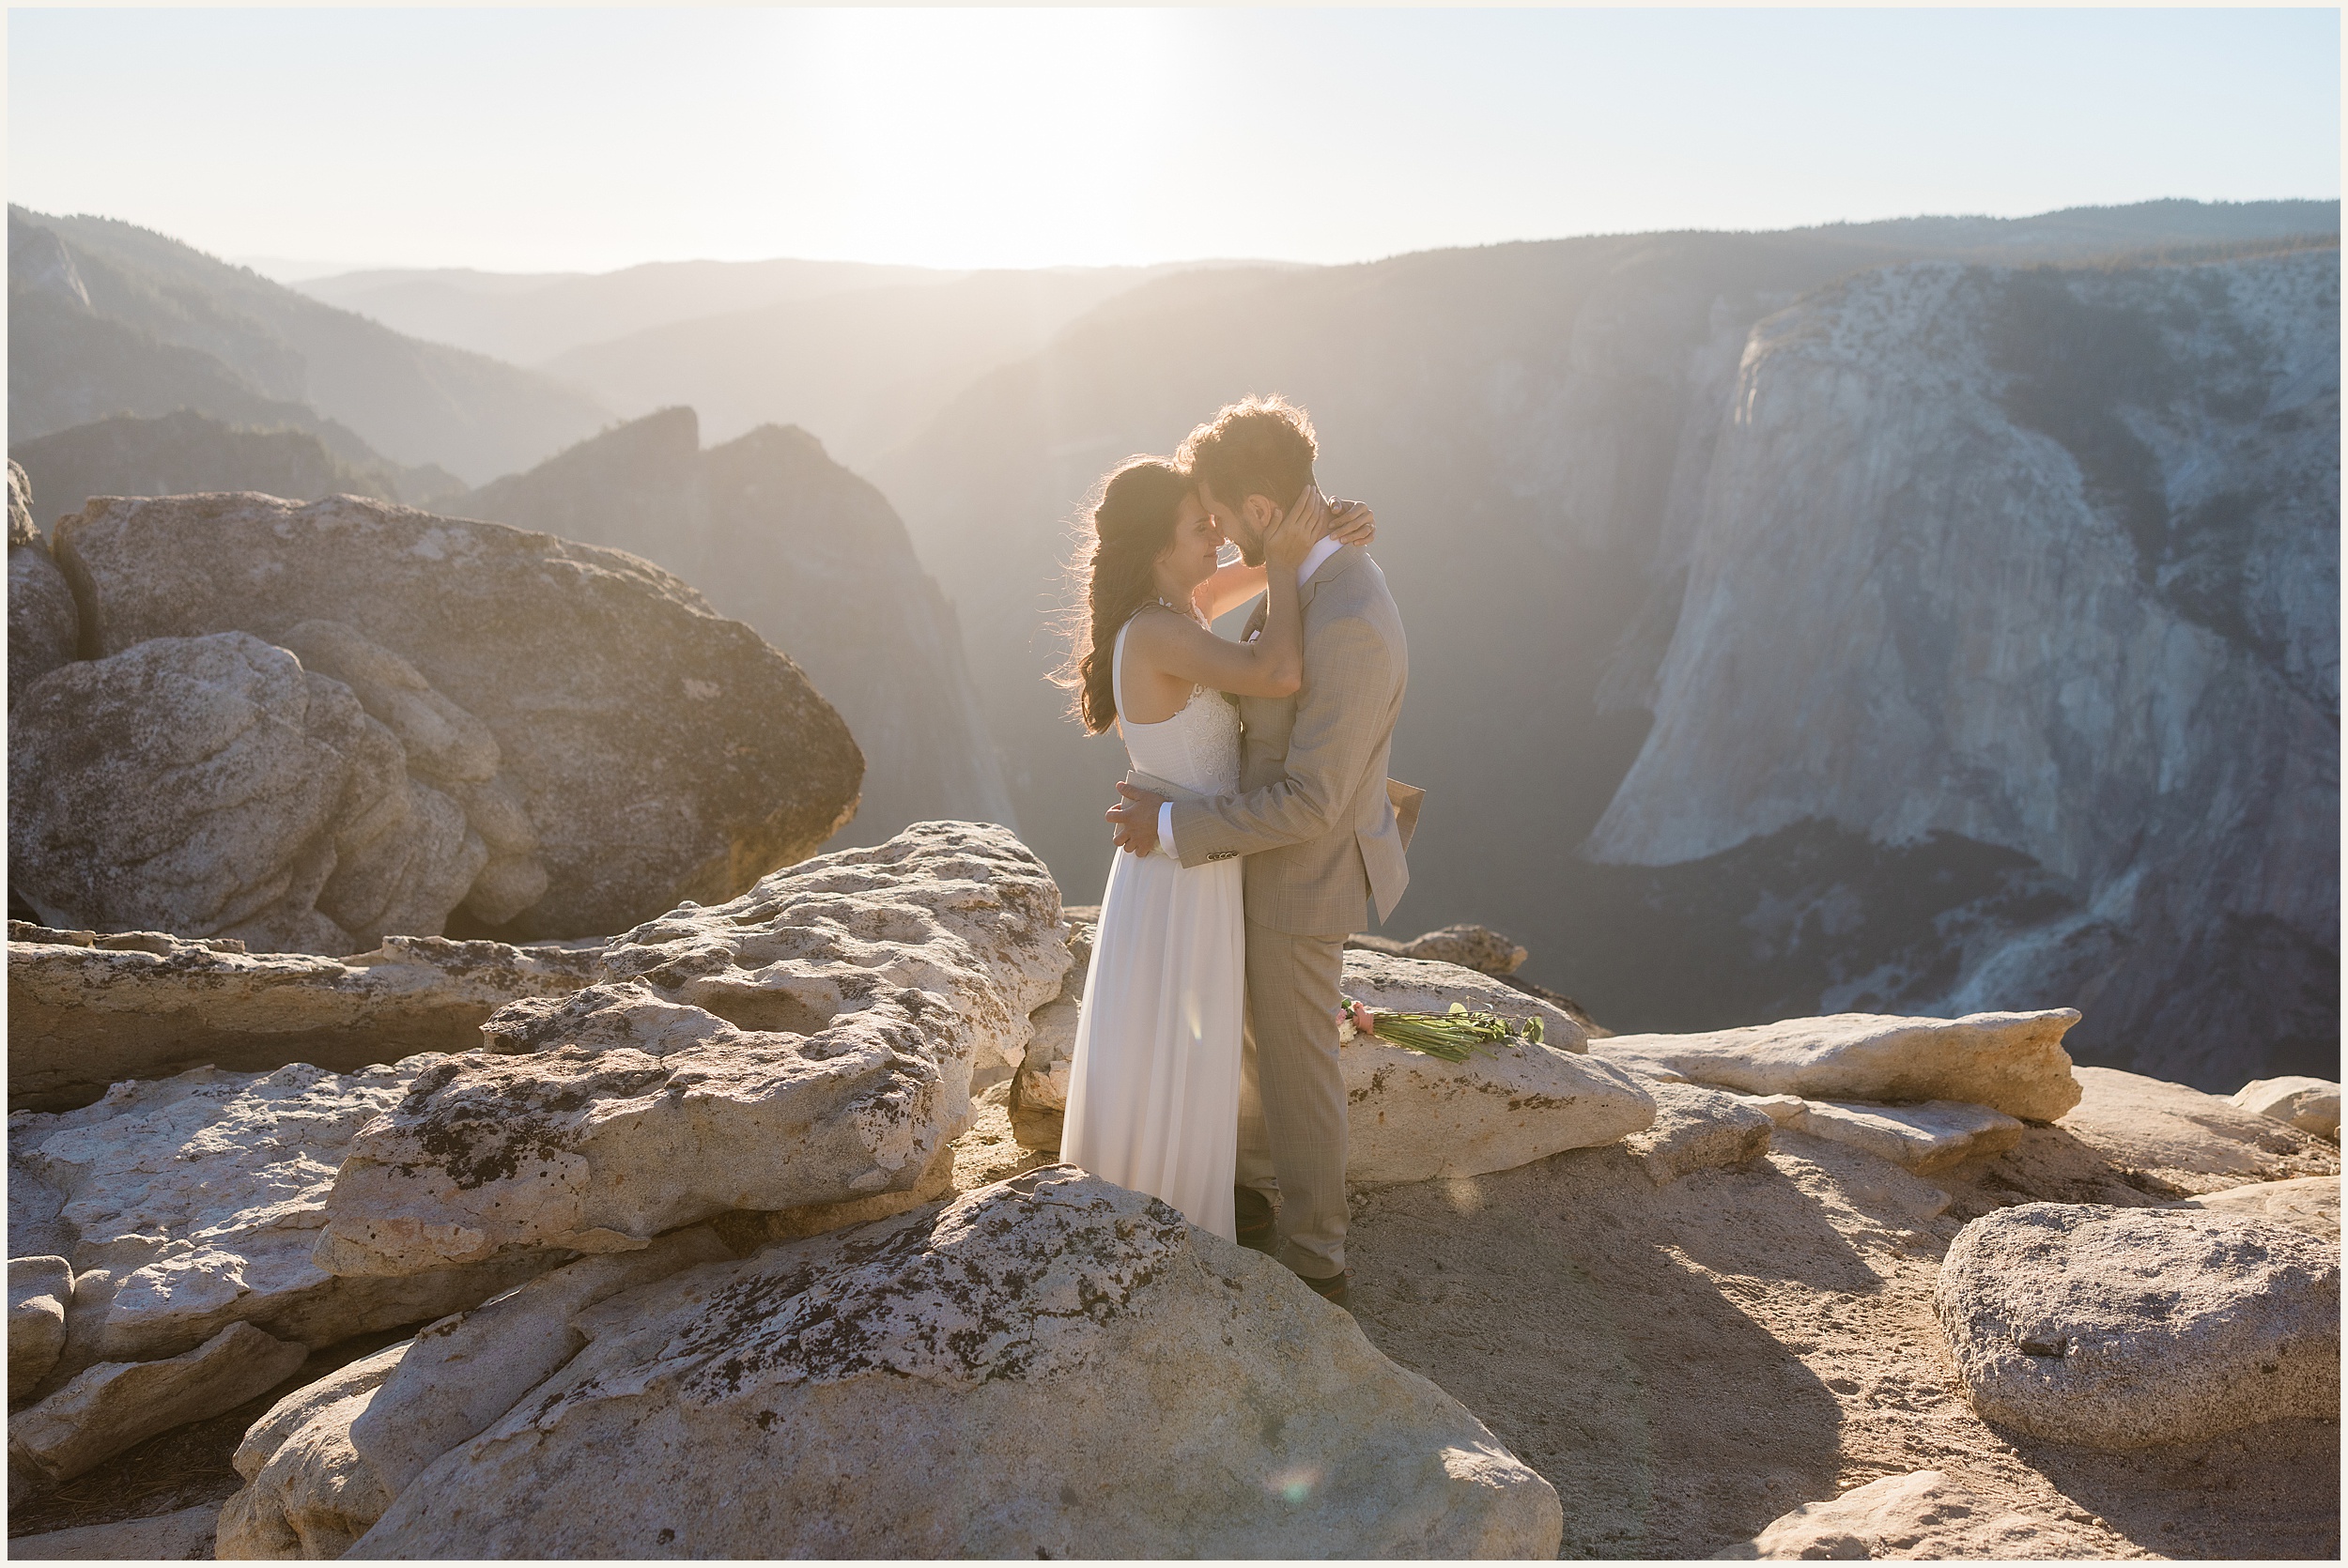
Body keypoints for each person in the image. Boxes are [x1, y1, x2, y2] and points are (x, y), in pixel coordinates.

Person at [1054, 447, 1372, 1252]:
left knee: (1190, 1044)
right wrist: (1296, 556)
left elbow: (1262, 573)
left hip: (1188, 857)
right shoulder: (1159, 632)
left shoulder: (1175, 609)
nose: (1220, 543)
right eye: (1202, 529)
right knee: (1182, 1040)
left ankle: (1186, 1191)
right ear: (1159, 546)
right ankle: (1169, 1210)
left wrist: (1324, 535)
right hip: (1181, 872)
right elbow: (1279, 667)